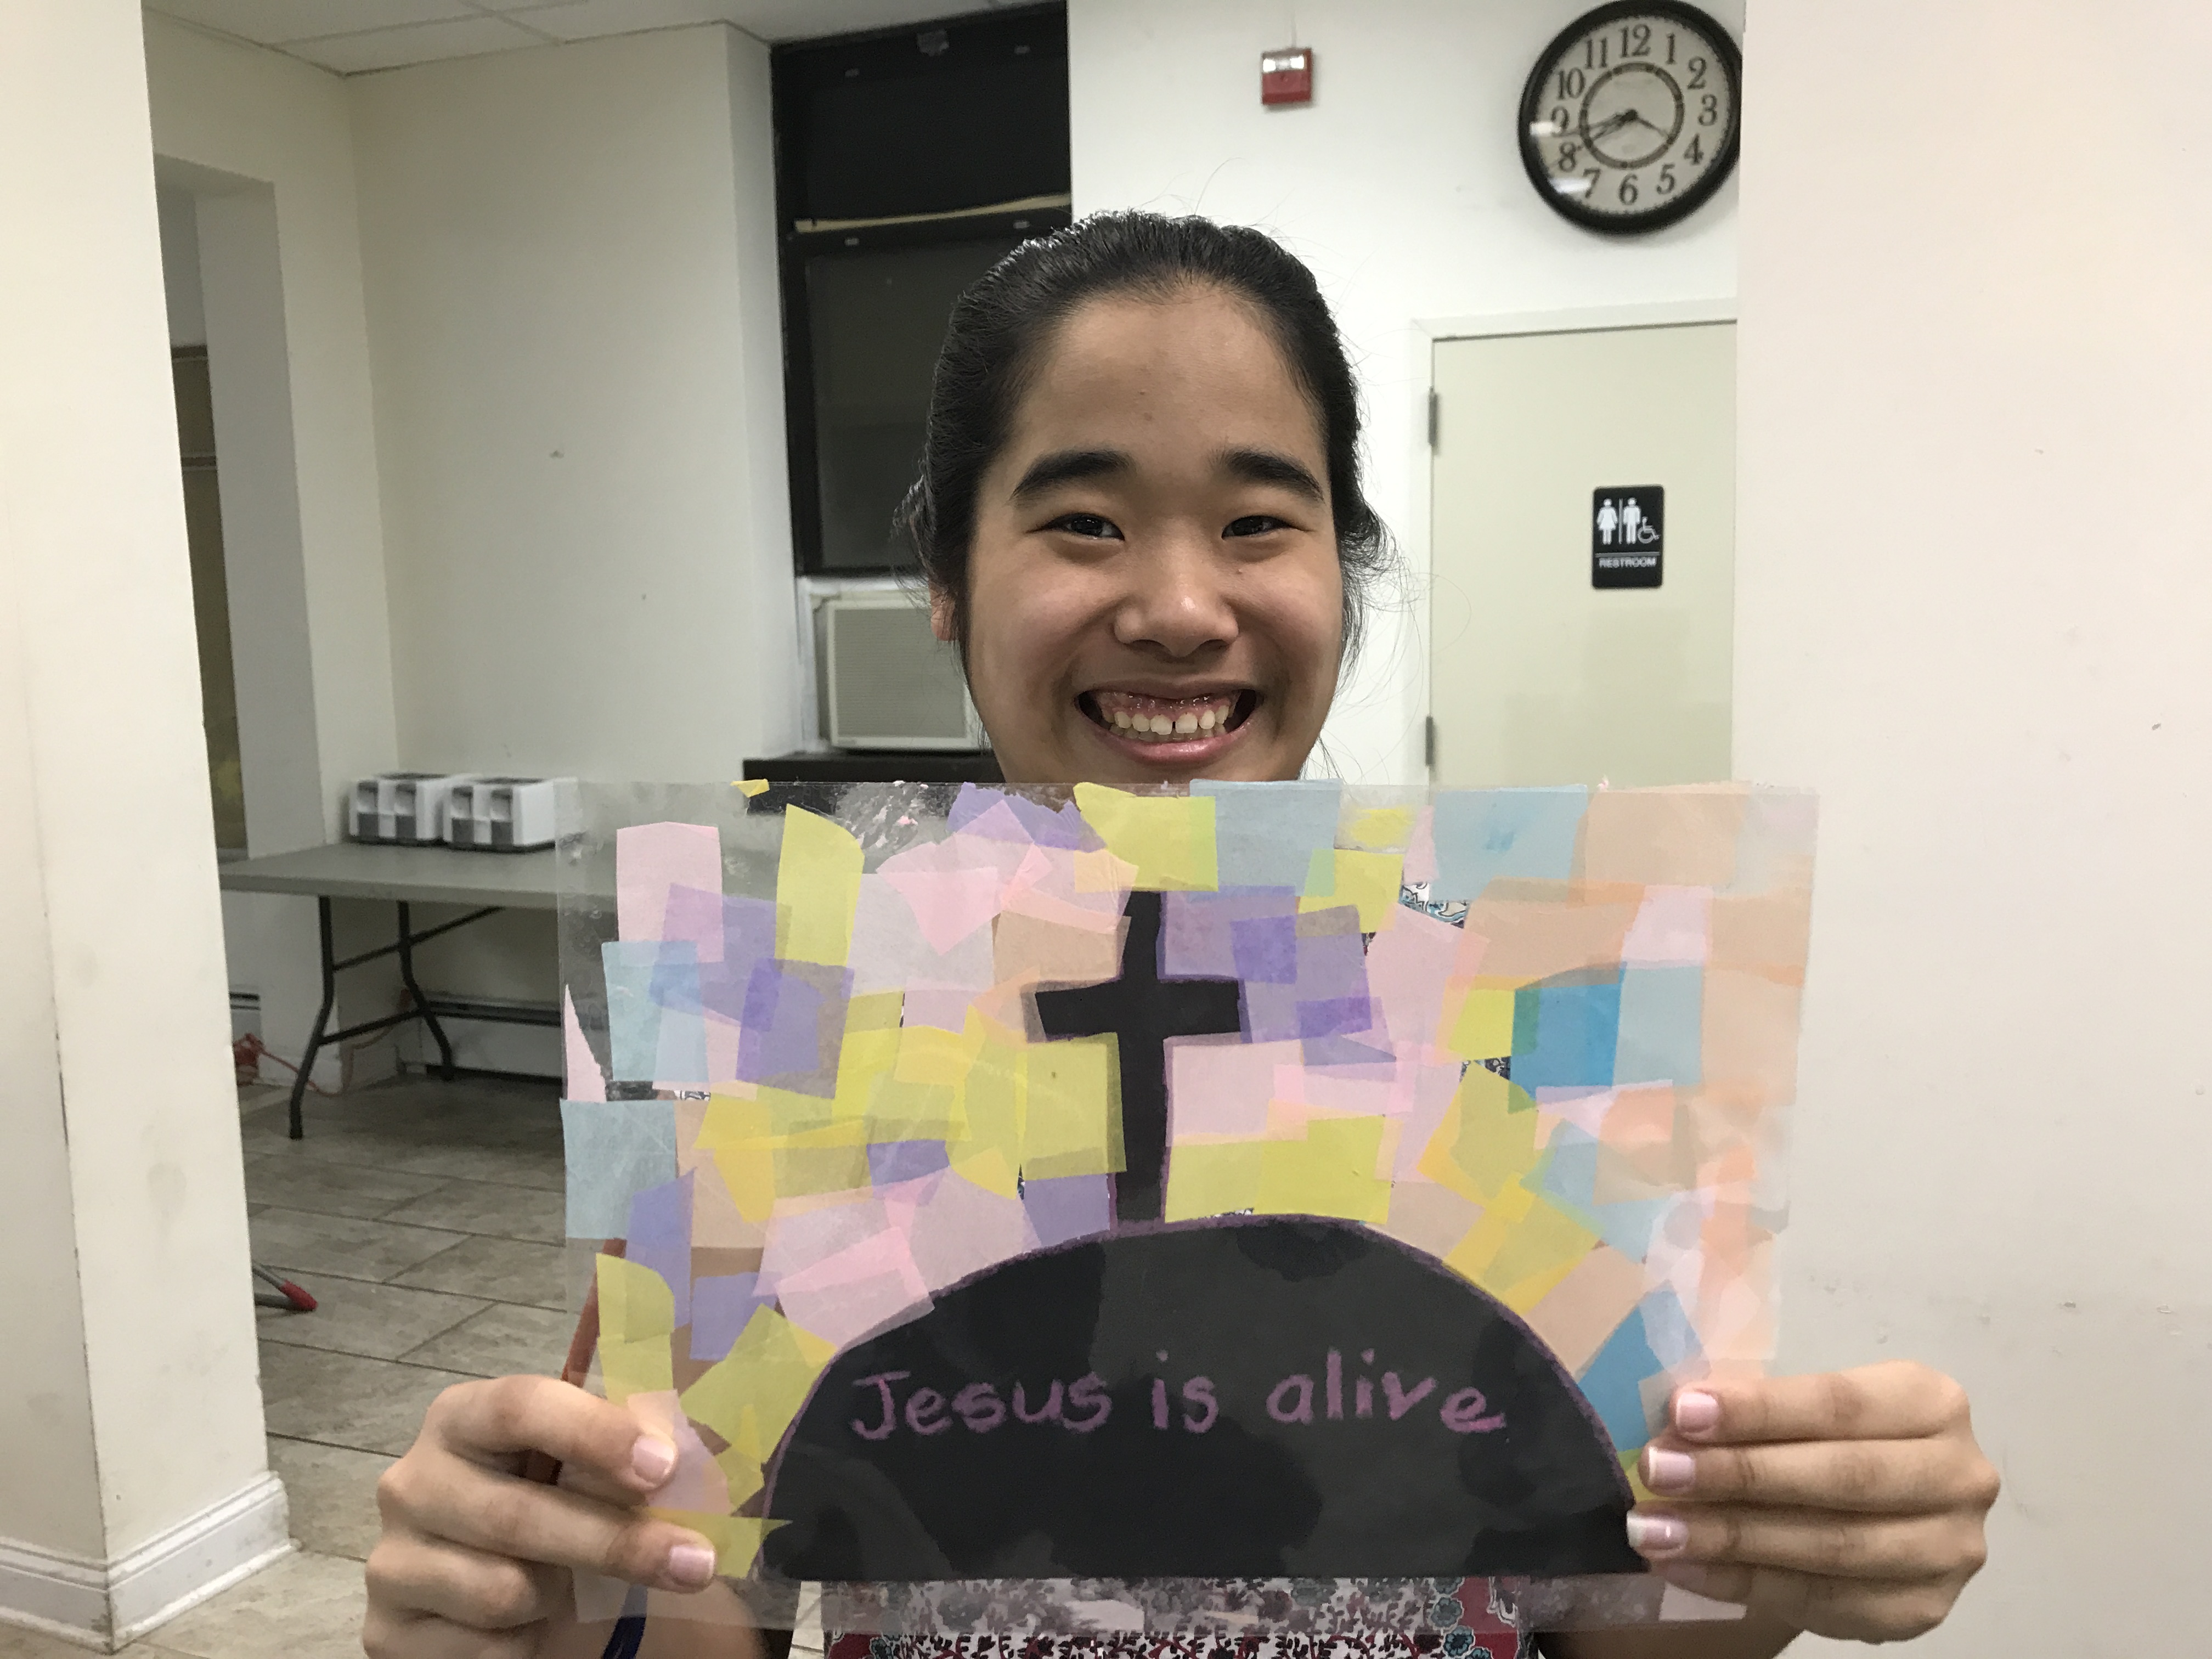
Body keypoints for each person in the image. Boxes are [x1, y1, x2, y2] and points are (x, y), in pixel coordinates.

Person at [364, 213, 1998, 1659]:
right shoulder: (773, 1044)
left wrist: (1797, 1555)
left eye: (1258, 521)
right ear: (947, 576)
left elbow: (1622, 1616)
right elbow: (681, 1600)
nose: (1180, 608)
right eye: (1083, 520)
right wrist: (529, 1613)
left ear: (1346, 569)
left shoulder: (1522, 1019)